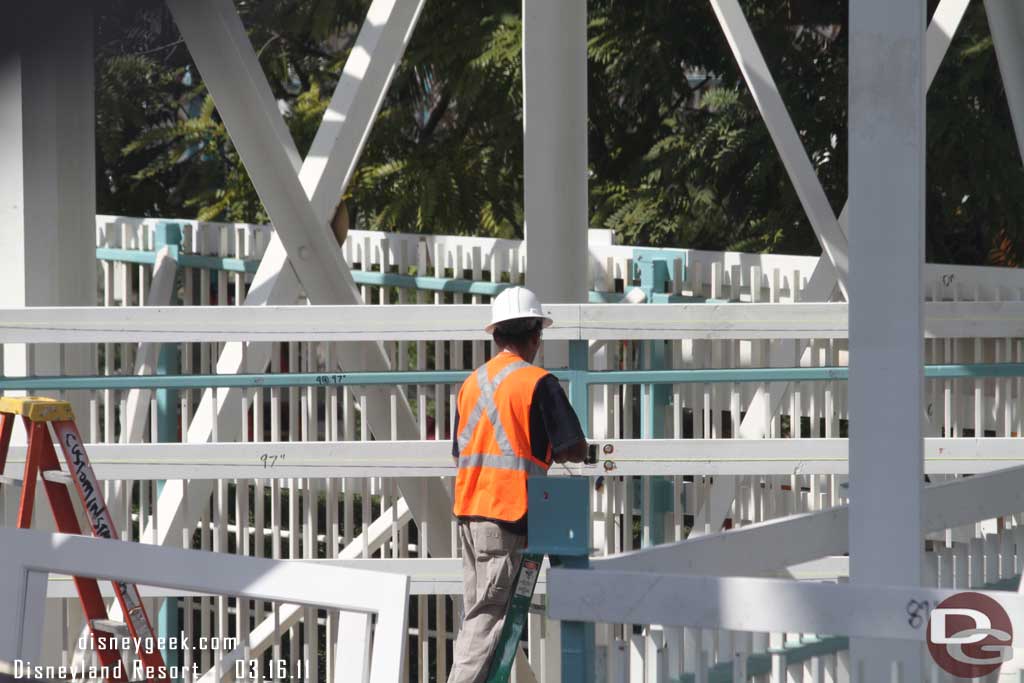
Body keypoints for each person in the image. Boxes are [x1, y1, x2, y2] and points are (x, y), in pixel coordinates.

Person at [446, 286, 588, 683]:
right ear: (535, 337)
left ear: (496, 335)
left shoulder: (471, 383)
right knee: (488, 620)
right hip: (507, 514)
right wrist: (585, 454)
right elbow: (572, 446)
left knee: (477, 616)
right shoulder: (537, 382)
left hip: (470, 513)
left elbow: (461, 451)